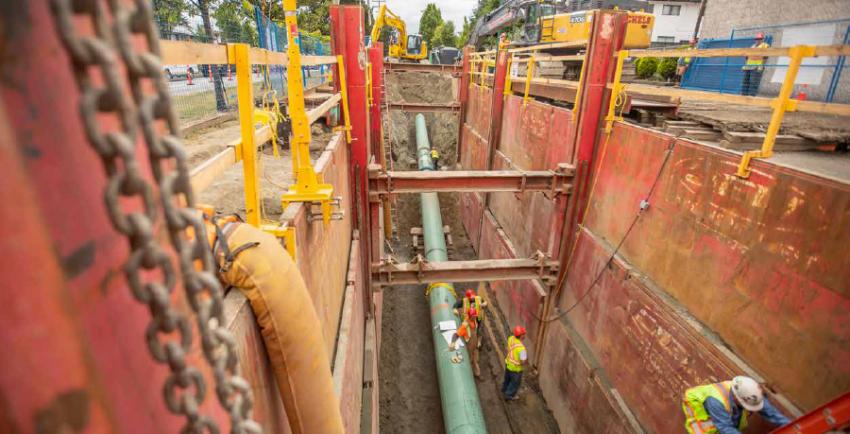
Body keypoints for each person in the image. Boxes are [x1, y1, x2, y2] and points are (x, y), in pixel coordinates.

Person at [682, 376, 790, 434]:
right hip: (706, 425)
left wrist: (789, 425)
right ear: (736, 397)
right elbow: (725, 428)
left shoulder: (749, 391)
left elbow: (769, 411)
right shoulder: (716, 402)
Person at [448, 308, 481, 377]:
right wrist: (453, 342)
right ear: (470, 316)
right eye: (474, 316)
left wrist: (479, 341)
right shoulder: (465, 326)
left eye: (475, 315)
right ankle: (468, 375)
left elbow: (477, 332)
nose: (475, 316)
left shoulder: (474, 321)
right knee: (469, 361)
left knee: (476, 360)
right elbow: (456, 334)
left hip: (475, 345)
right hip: (469, 346)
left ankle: (477, 374)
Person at [501, 325, 527, 401]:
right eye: (524, 334)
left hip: (508, 364)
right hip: (516, 369)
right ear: (521, 336)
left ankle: (504, 389)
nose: (524, 335)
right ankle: (509, 395)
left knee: (507, 379)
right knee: (515, 383)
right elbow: (523, 361)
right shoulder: (522, 348)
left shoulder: (511, 339)